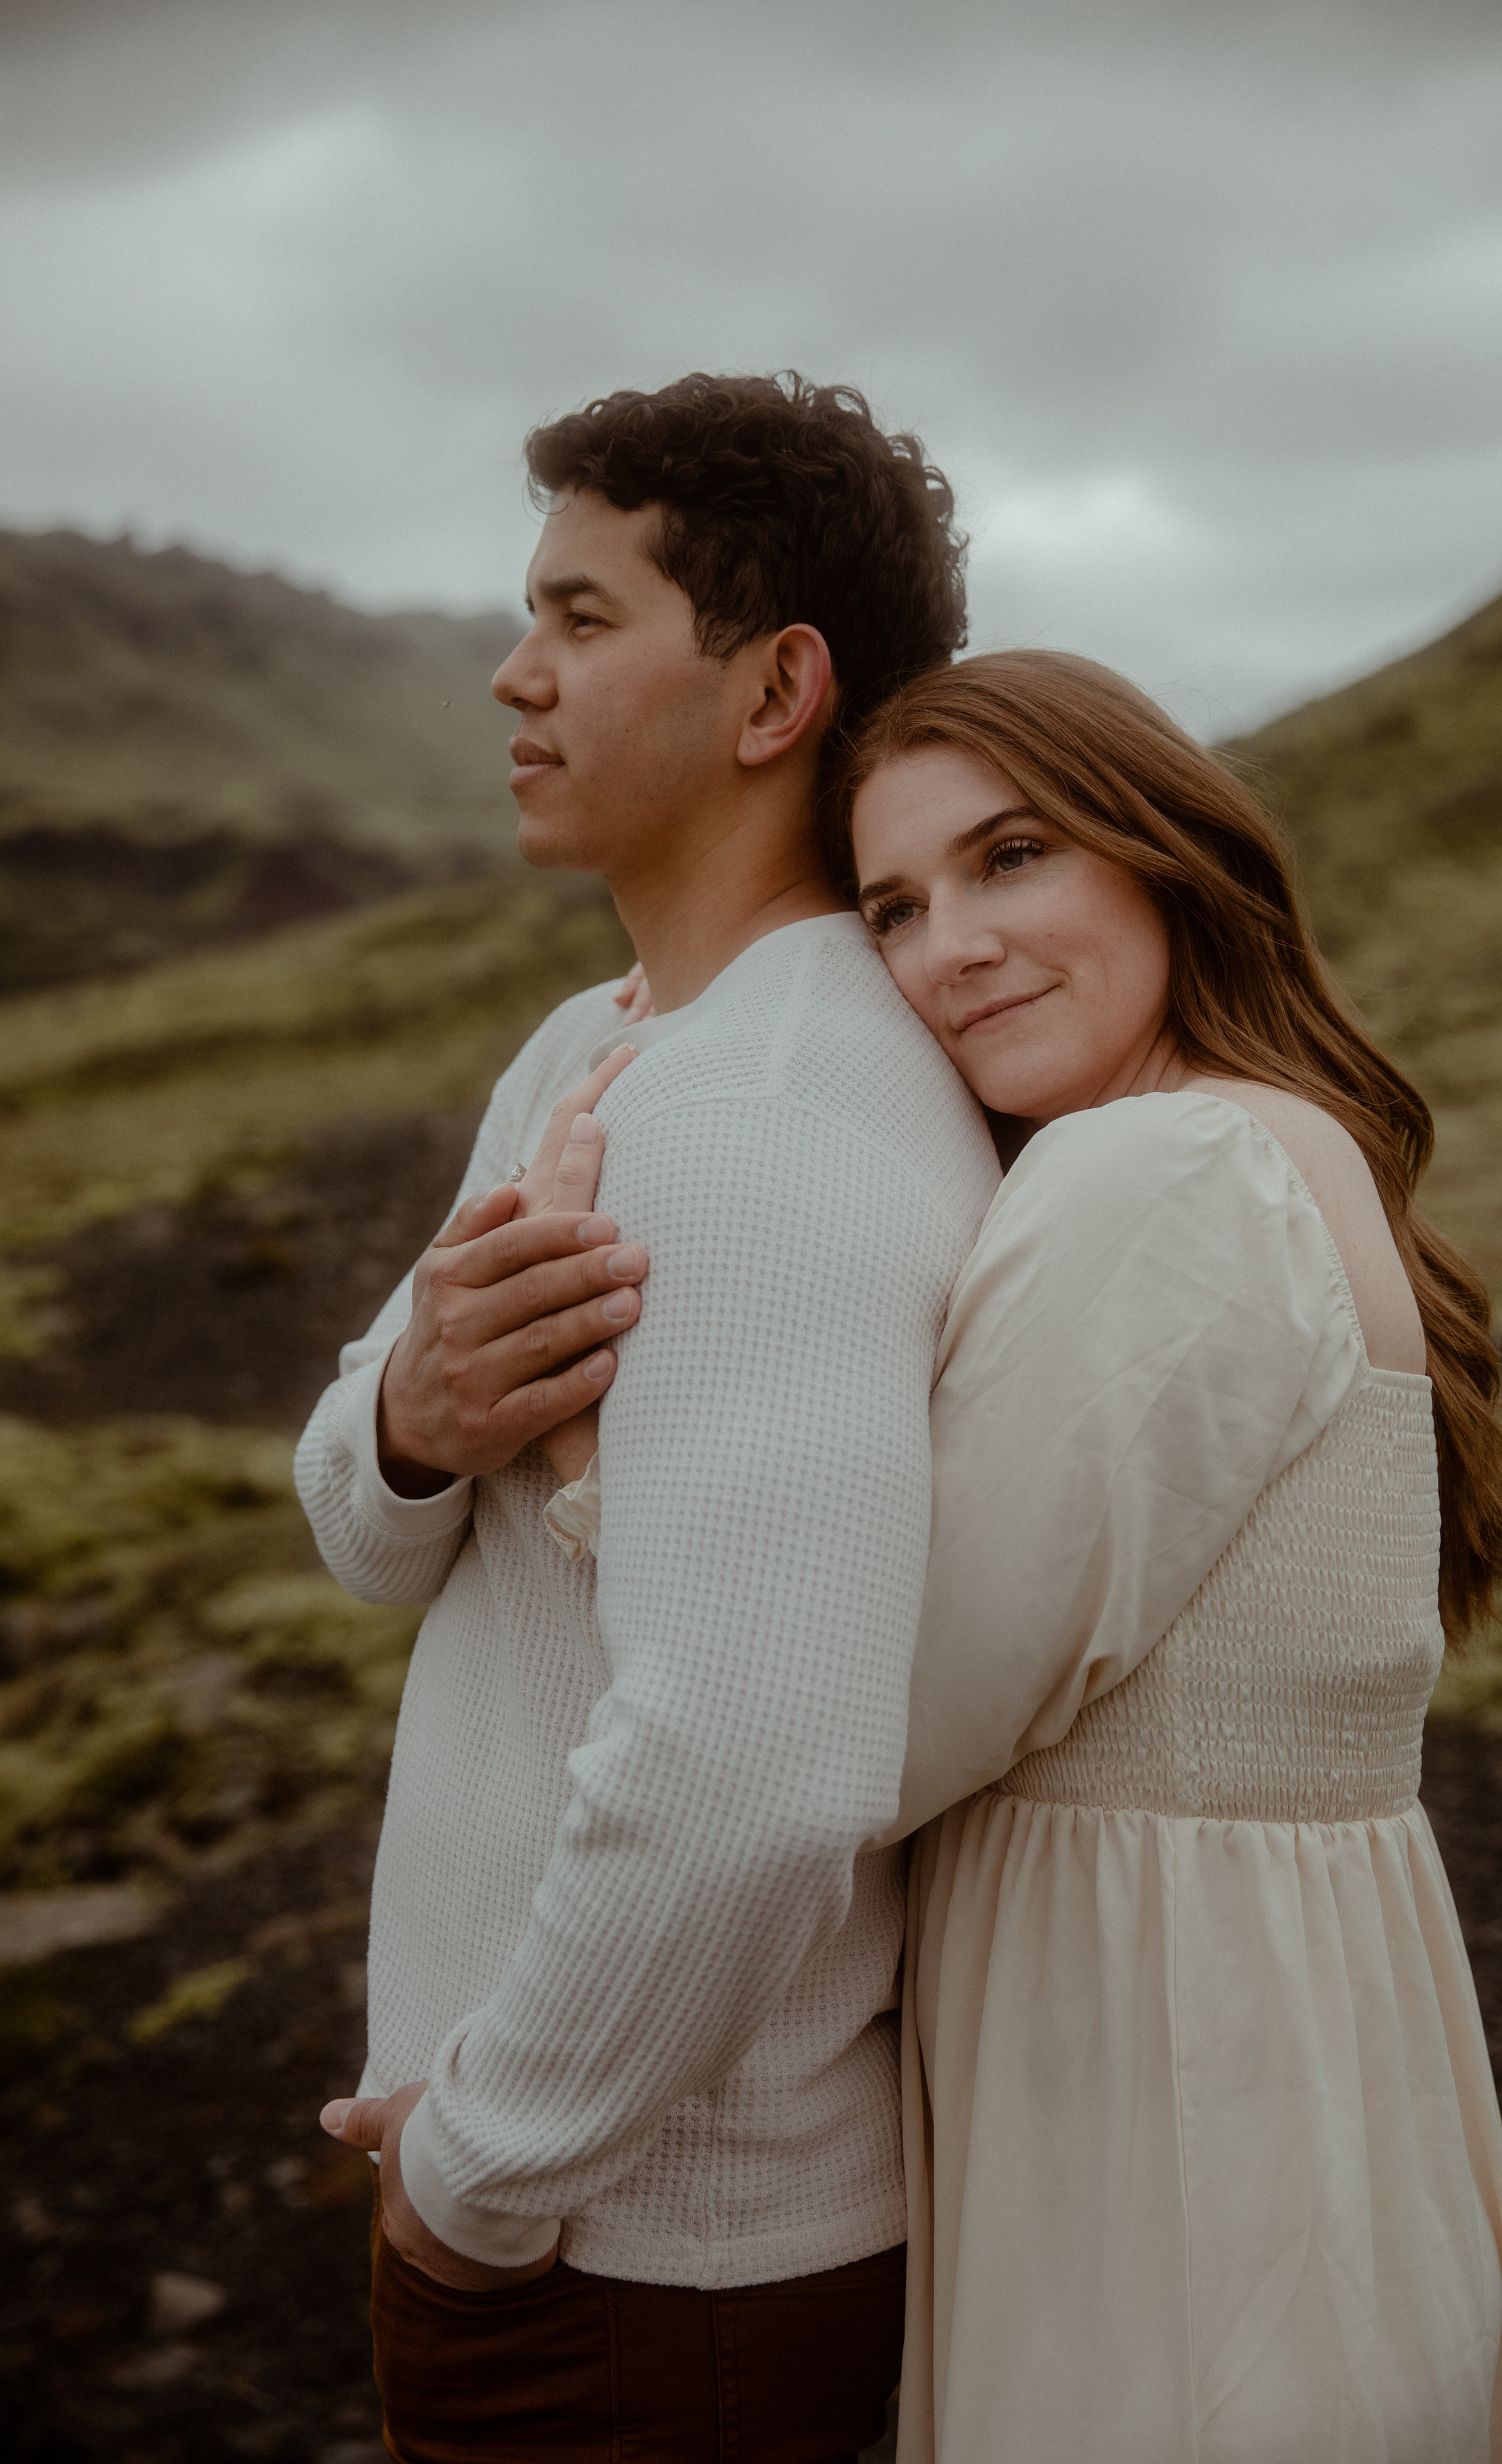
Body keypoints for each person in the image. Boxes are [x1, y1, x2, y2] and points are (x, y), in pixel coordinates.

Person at [546, 649, 1502, 2460]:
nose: (951, 949)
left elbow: (883, 1707)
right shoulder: (1272, 1149)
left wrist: (584, 1467)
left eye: (1015, 859)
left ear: (1163, 857)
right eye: (897, 907)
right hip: (1300, 2060)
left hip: (1158, 2093)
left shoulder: (1163, 1178)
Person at [298, 372, 1001, 2464]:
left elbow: (759, 1771)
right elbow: (352, 1526)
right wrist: (418, 1418)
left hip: (641, 2264)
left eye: (585, 620)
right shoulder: (592, 1051)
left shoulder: (767, 1122)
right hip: (573, 2226)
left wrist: (477, 2180)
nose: (514, 676)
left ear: (779, 687)